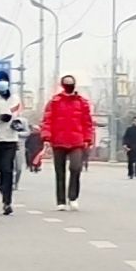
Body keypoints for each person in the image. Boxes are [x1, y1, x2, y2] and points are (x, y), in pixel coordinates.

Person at [38, 74, 95, 211]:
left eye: (71, 83)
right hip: (59, 141)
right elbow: (47, 121)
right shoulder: (55, 102)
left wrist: (88, 139)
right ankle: (61, 201)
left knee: (76, 168)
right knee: (60, 172)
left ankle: (73, 197)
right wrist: (46, 138)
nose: (69, 85)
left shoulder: (82, 102)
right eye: (66, 83)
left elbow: (88, 123)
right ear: (63, 85)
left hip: (77, 141)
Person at [0, 71, 25, 216]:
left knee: (7, 170)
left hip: (10, 139)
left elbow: (19, 114)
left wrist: (17, 123)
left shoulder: (15, 98)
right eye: (0, 80)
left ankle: (7, 202)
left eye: (5, 80)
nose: (3, 82)